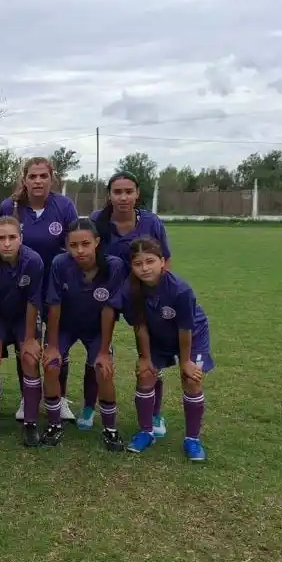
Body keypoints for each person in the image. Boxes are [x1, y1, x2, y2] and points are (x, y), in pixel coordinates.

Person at [101, 236, 212, 462]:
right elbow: (140, 326)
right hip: (157, 336)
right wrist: (145, 357)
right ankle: (146, 432)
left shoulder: (180, 290)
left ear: (163, 262)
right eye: (138, 263)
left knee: (191, 379)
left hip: (191, 336)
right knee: (145, 374)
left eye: (150, 261)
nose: (145, 268)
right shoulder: (131, 288)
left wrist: (185, 362)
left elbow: (185, 329)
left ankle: (192, 439)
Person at [88, 170, 172, 436]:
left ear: (137, 194)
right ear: (109, 195)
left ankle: (155, 413)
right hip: (106, 297)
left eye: (128, 192)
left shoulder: (151, 222)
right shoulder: (96, 221)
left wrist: (159, 292)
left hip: (144, 296)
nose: (123, 197)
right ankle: (89, 407)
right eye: (117, 192)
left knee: (150, 355)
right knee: (97, 351)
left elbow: (165, 260)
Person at [0, 157, 79, 423]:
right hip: (22, 287)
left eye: (43, 176)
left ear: (51, 178)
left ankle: (60, 398)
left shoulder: (64, 206)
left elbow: (74, 245)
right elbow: (0, 245)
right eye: (32, 176)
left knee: (57, 344)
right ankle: (28, 397)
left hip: (56, 287)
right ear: (24, 179)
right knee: (27, 343)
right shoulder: (10, 207)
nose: (38, 181)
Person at [41, 218, 128, 450]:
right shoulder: (60, 264)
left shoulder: (114, 266)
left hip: (96, 328)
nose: (80, 250)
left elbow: (110, 309)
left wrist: (104, 351)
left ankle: (110, 429)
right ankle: (54, 425)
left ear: (97, 242)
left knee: (103, 369)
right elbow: (54, 305)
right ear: (67, 245)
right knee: (51, 365)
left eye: (85, 244)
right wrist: (52, 346)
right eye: (74, 245)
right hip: (65, 326)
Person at [0, 216, 45, 446]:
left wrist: (29, 338)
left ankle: (31, 423)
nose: (7, 243)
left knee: (29, 358)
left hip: (23, 317)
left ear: (21, 238)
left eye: (12, 237)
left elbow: (33, 301)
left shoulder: (33, 261)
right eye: (1, 238)